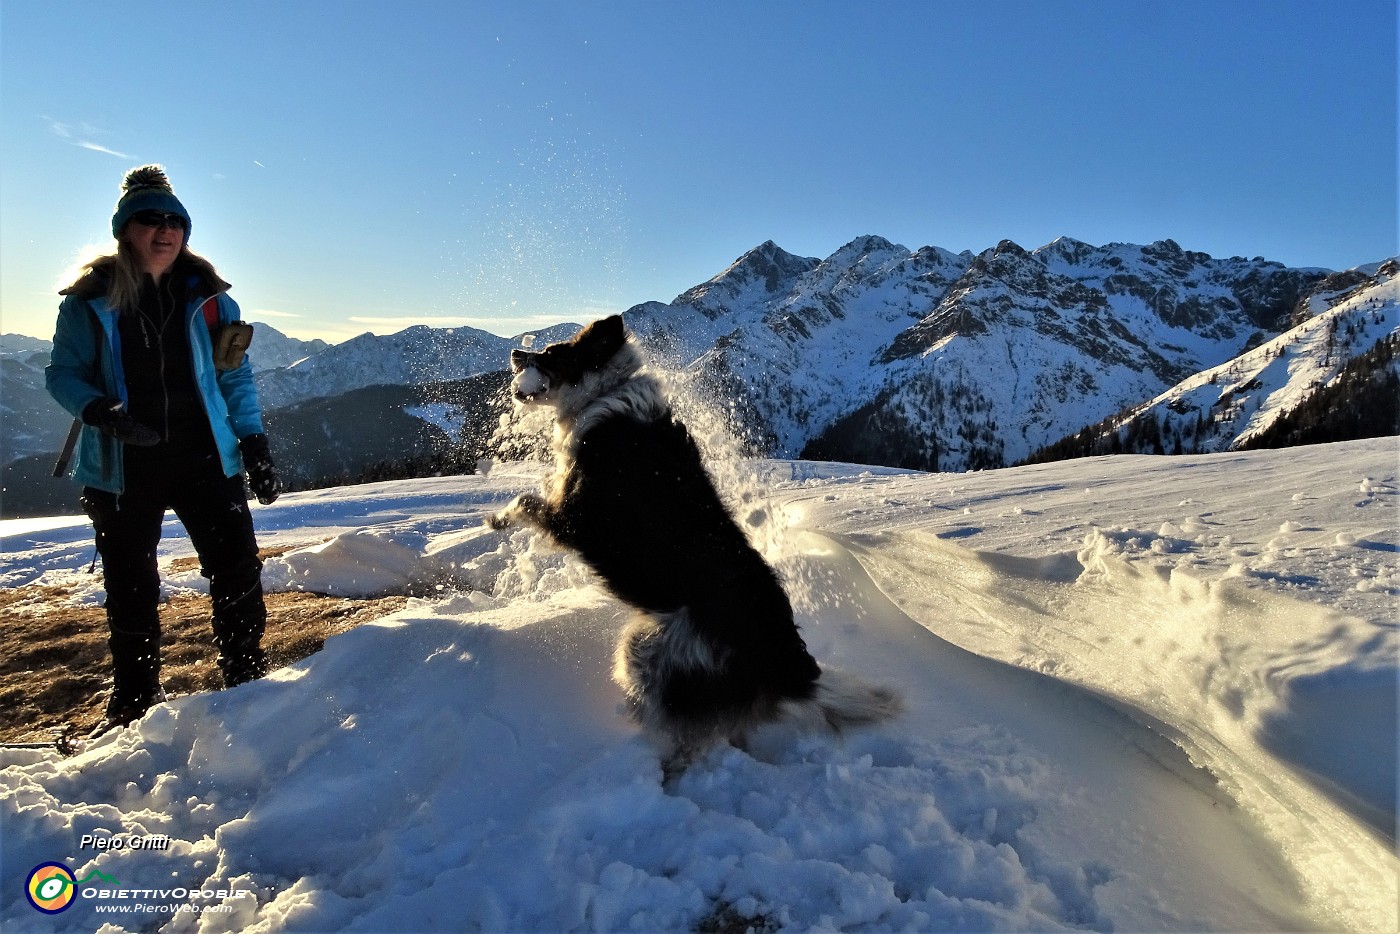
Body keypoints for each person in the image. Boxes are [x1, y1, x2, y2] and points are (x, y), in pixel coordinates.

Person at [45, 164, 282, 738]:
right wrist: (98, 410)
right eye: (150, 219)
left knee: (236, 571)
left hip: (206, 456)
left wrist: (252, 442)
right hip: (123, 462)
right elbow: (63, 373)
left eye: (175, 220)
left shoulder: (210, 301)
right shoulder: (89, 302)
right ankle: (135, 701)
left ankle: (246, 680)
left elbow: (234, 379)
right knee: (130, 586)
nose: (165, 229)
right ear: (125, 230)